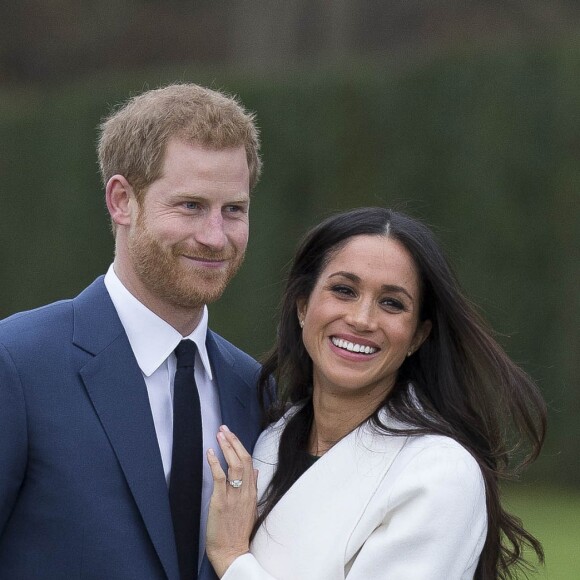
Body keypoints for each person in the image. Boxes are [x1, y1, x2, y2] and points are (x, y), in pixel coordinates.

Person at [0, 83, 263, 580]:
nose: (215, 236)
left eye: (234, 210)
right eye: (189, 206)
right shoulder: (17, 364)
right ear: (122, 201)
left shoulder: (255, 389)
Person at [204, 207, 547, 579]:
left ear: (418, 335)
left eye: (391, 303)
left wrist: (233, 559)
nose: (362, 319)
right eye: (344, 290)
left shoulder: (438, 473)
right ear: (303, 306)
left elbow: (232, 556)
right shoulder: (269, 437)